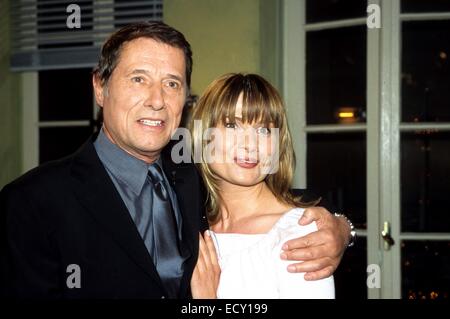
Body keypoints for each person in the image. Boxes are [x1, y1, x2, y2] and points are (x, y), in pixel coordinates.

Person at [0, 22, 351, 299]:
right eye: (139, 79)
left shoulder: (190, 173)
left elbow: (271, 199)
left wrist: (339, 228)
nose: (157, 100)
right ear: (100, 87)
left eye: (171, 83)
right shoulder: (32, 202)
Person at [189, 73, 336, 298]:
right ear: (204, 136)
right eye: (232, 126)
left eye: (263, 130)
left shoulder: (297, 233)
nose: (249, 144)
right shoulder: (190, 223)